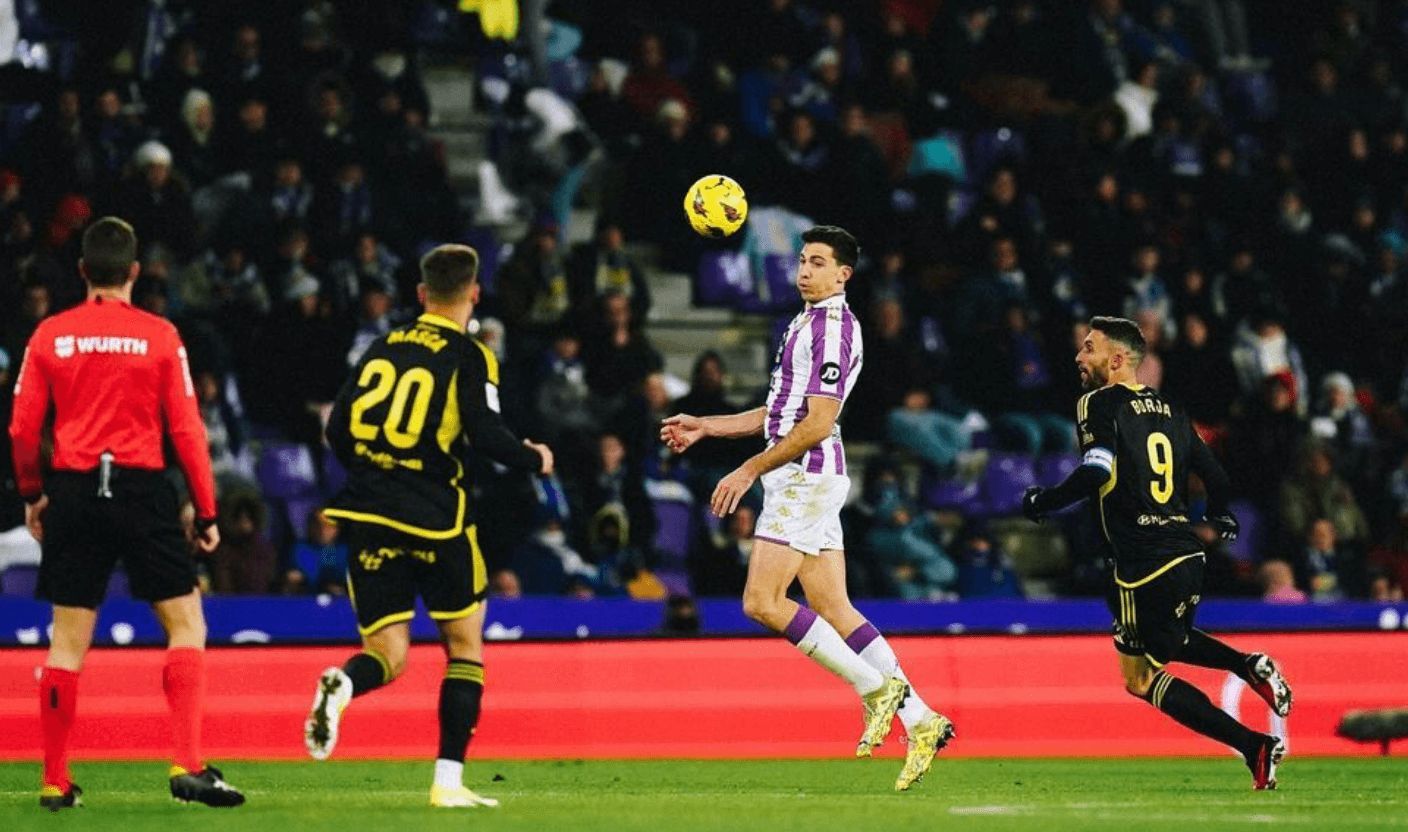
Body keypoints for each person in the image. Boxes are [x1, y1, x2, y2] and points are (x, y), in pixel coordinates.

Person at [661, 226, 954, 792]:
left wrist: (749, 469)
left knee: (761, 601)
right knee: (834, 606)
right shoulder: (804, 322)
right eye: (802, 260)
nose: (804, 270)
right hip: (808, 476)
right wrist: (707, 426)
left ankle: (877, 690)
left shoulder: (835, 329)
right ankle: (921, 720)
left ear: (844, 274)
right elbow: (777, 411)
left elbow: (818, 421)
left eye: (818, 262)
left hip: (804, 476)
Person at [304, 244, 553, 809]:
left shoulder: (379, 347)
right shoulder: (471, 355)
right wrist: (535, 457)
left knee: (387, 653)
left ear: (420, 294)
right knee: (464, 648)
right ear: (474, 293)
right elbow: (487, 436)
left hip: (367, 513)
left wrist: (377, 474)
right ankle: (447, 784)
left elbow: (339, 429)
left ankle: (343, 683)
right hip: (436, 519)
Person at [8, 217, 243, 810]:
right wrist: (207, 511)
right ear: (135, 271)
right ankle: (187, 764)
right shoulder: (161, 336)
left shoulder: (50, 336)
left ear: (83, 271)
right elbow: (188, 430)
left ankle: (55, 780)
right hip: (141, 488)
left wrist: (34, 493)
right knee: (186, 626)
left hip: (76, 490)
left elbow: (20, 427)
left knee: (66, 644)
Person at [1021, 316, 1293, 790]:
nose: (1079, 357)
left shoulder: (1097, 403)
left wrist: (1042, 501)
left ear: (1118, 360)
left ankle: (1253, 734)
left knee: (1143, 674)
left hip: (1138, 559)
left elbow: (1096, 472)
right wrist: (1223, 515)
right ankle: (1249, 691)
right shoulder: (1171, 408)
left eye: (1089, 348)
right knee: (1163, 646)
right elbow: (1216, 475)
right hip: (1186, 552)